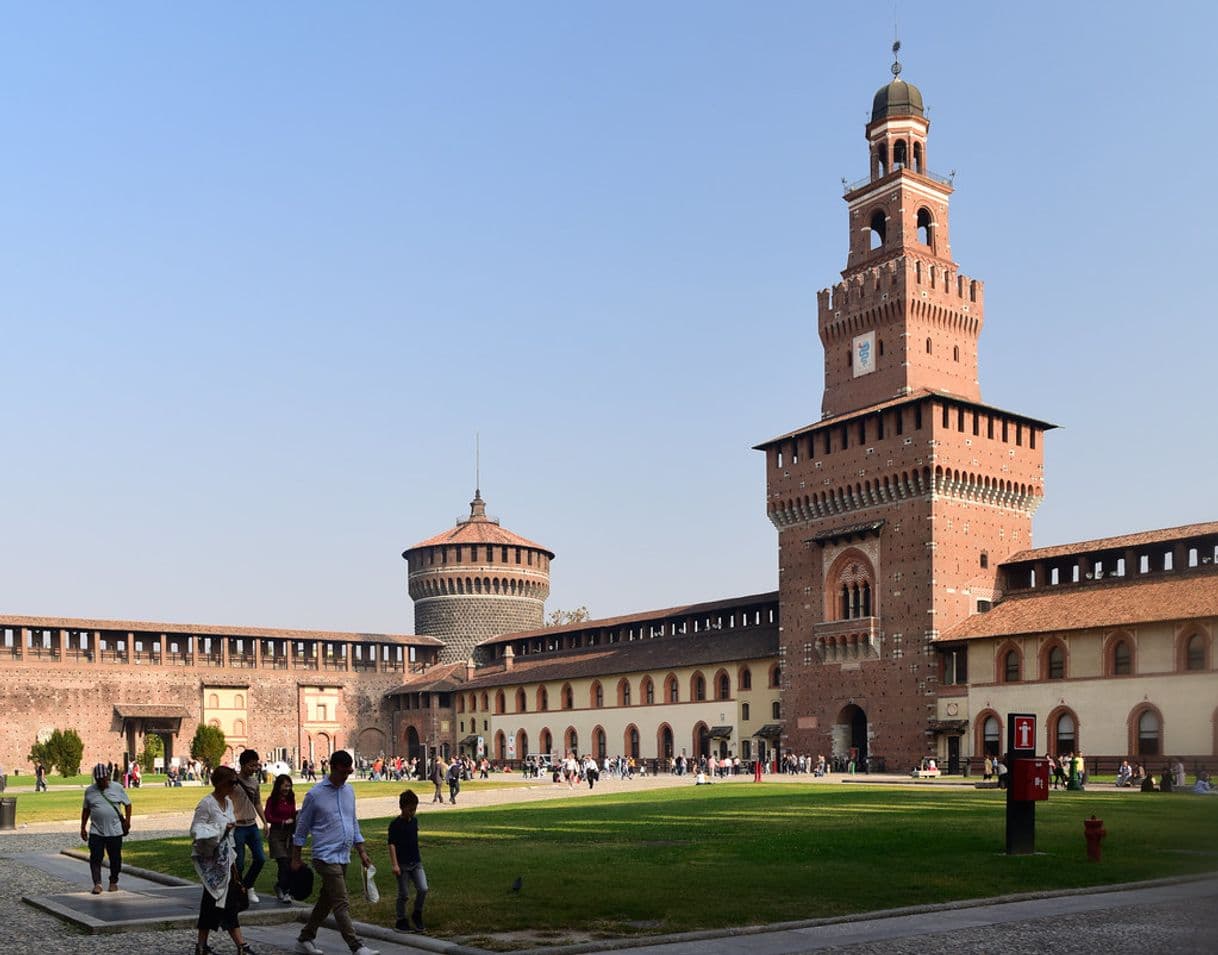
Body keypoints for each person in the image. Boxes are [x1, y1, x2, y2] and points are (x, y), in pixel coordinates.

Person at [291, 750, 380, 955]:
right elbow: (302, 828)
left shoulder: (349, 792)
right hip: (324, 856)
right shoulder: (315, 795)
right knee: (341, 901)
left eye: (349, 772)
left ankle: (305, 937)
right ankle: (356, 945)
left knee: (327, 900)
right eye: (343, 772)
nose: (346, 776)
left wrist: (362, 851)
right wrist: (295, 857)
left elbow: (353, 822)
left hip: (343, 854)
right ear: (333, 768)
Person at [190, 765, 257, 955]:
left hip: (227, 860)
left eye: (236, 782)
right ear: (219, 783)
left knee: (214, 903)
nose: (234, 786)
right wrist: (221, 830)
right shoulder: (206, 804)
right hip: (211, 863)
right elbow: (196, 830)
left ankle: (202, 946)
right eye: (231, 782)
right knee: (223, 903)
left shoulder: (228, 803)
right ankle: (240, 945)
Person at [80, 761, 132, 894]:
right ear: (96, 780)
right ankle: (97, 883)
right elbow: (86, 810)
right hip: (96, 830)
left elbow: (128, 804)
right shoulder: (90, 791)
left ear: (108, 777)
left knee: (115, 858)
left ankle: (113, 881)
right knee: (95, 857)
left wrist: (127, 821)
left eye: (104, 779)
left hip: (115, 830)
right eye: (100, 780)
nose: (103, 782)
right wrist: (83, 827)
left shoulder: (117, 788)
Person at [231, 749, 268, 904]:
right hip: (238, 827)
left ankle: (247, 886)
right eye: (252, 766)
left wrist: (265, 822)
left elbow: (257, 802)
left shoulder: (254, 782)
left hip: (252, 825)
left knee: (260, 859)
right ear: (243, 764)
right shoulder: (232, 782)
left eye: (256, 766)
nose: (254, 769)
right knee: (238, 863)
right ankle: (237, 891)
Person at [388, 789, 428, 933]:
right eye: (410, 809)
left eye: (414, 809)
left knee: (423, 888)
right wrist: (395, 864)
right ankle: (401, 920)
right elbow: (391, 844)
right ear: (402, 807)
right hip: (402, 865)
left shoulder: (414, 821)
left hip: (416, 862)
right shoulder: (395, 825)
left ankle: (417, 913)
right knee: (404, 894)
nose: (412, 812)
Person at [264, 773, 297, 903]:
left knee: (289, 863)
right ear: (279, 786)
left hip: (289, 835)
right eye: (285, 786)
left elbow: (293, 812)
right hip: (277, 834)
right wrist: (282, 821)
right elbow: (268, 816)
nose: (287, 789)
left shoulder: (291, 798)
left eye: (289, 786)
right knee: (283, 862)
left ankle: (284, 888)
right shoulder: (272, 800)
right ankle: (282, 888)